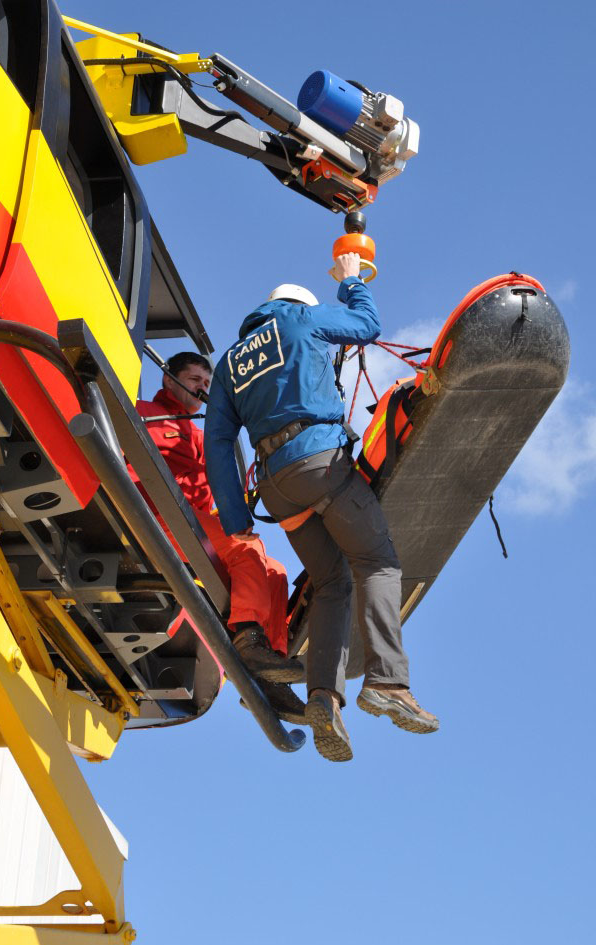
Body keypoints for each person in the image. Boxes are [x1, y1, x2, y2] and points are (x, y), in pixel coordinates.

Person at [204, 255, 439, 762]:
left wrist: (237, 520)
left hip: (277, 488)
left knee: (332, 583)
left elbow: (217, 443)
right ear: (299, 304)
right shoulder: (301, 319)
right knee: (377, 561)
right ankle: (388, 682)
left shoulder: (229, 363)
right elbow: (367, 325)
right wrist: (352, 280)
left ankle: (323, 699)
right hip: (319, 464)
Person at [129, 351, 305, 724]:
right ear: (169, 379)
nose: (202, 388)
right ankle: (248, 637)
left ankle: (271, 670)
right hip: (159, 510)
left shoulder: (202, 431)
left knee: (274, 570)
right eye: (195, 379)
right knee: (245, 548)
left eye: (207, 383)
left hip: (193, 520)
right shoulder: (144, 412)